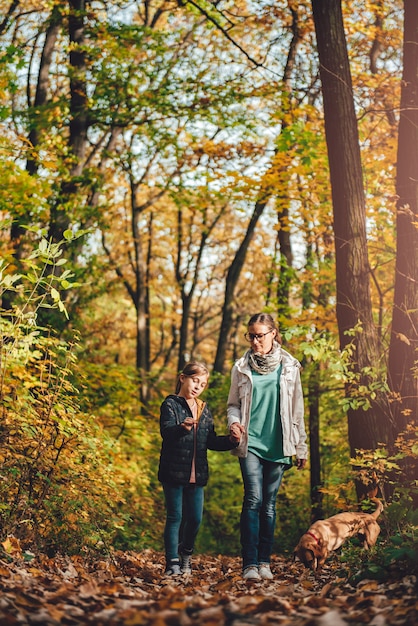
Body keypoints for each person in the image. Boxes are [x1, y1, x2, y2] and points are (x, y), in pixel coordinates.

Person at [227, 313, 308, 581]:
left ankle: (264, 562)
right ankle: (249, 564)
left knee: (269, 506)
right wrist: (234, 423)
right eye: (250, 335)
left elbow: (297, 409)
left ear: (274, 333)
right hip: (250, 443)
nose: (254, 341)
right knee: (253, 499)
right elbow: (233, 404)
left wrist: (301, 447)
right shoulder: (240, 367)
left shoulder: (289, 367)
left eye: (259, 335)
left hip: (279, 444)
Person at [158, 360, 240, 577]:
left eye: (202, 384)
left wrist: (231, 441)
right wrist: (181, 428)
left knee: (195, 519)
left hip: (198, 474)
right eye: (195, 380)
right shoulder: (171, 404)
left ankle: (185, 554)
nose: (197, 386)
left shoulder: (204, 409)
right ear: (182, 378)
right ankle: (172, 563)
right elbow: (166, 432)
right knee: (175, 516)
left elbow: (210, 441)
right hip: (173, 471)